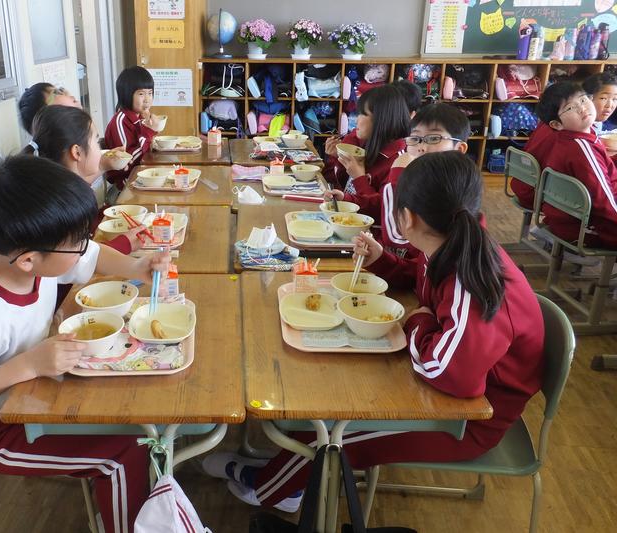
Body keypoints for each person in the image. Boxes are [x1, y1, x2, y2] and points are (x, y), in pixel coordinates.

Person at [205, 152, 545, 511]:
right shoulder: (451, 243)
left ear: (407, 218)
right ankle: (289, 474)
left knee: (331, 437)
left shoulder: (471, 281)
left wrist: (419, 322)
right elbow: (420, 278)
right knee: (323, 408)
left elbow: (448, 373)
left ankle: (269, 489)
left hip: (467, 420)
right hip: (451, 391)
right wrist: (382, 260)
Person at [0, 156, 171, 533]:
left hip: (34, 392)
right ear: (29, 260)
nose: (84, 248)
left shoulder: (24, 257)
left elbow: (91, 256)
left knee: (131, 413)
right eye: (76, 243)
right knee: (125, 452)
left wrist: (136, 267)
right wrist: (29, 364)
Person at [329, 103, 470, 259]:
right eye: (415, 138)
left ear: (459, 149)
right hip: (392, 258)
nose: (421, 147)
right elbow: (416, 267)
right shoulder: (422, 178)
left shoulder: (454, 191)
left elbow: (397, 236)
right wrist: (347, 199)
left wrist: (396, 175)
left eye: (434, 138)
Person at [25, 105, 144, 254]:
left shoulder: (61, 188)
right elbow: (75, 260)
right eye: (96, 141)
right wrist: (123, 244)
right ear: (77, 152)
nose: (100, 148)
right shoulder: (62, 204)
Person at [535, 82, 617, 248]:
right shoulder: (582, 148)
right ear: (557, 124)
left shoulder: (573, 139)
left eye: (583, 100)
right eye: (570, 108)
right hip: (586, 229)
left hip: (571, 220)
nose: (582, 108)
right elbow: (604, 202)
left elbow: (603, 172)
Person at [322, 84, 410, 217]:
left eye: (363, 114)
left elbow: (382, 212)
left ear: (382, 119)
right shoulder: (368, 145)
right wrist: (336, 157)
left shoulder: (398, 161)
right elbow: (343, 187)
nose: (356, 119)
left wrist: (359, 177)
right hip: (348, 219)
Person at [104, 66, 164, 189]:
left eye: (150, 93)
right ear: (126, 95)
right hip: (129, 181)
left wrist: (151, 130)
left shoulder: (140, 117)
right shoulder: (120, 121)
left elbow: (146, 149)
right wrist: (150, 131)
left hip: (144, 174)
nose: (147, 99)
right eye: (141, 94)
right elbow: (128, 160)